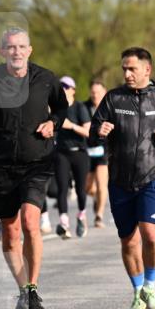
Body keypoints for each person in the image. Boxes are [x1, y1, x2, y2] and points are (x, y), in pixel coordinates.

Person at [0, 27, 66, 309]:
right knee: (10, 232)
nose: (17, 52)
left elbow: (62, 108)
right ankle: (23, 291)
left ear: (30, 50)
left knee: (30, 222)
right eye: (11, 47)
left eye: (22, 47)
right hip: (1, 165)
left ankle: (33, 288)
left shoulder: (45, 78)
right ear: (3, 51)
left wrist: (53, 123)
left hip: (37, 162)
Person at [89, 47, 155, 309]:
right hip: (120, 180)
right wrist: (99, 131)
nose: (127, 74)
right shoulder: (114, 98)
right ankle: (137, 293)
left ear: (147, 69)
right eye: (124, 69)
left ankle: (150, 287)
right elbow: (93, 132)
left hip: (153, 177)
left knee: (151, 234)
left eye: (132, 69)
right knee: (129, 241)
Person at [54, 75, 92, 237]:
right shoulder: (56, 108)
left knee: (80, 190)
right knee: (62, 188)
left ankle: (81, 215)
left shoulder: (79, 108)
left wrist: (71, 126)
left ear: (73, 90)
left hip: (79, 153)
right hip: (61, 153)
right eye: (60, 87)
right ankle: (64, 223)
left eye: (66, 87)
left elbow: (88, 132)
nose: (63, 90)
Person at [84, 80, 109, 227]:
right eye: (93, 92)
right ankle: (96, 197)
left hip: (103, 150)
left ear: (104, 92)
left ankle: (99, 215)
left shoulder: (109, 107)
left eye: (98, 92)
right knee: (88, 188)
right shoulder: (84, 107)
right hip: (87, 149)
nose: (95, 95)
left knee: (101, 183)